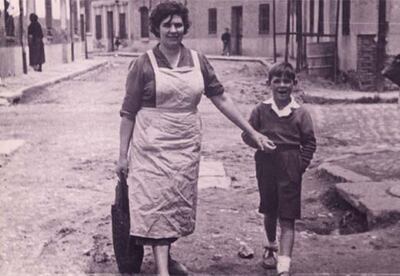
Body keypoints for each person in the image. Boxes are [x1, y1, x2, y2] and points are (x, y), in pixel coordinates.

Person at [115, 2, 271, 275]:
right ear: (157, 29)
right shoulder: (142, 64)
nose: (173, 30)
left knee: (174, 203)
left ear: (184, 27)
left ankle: (168, 258)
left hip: (185, 143)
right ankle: (163, 269)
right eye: (167, 25)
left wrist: (251, 130)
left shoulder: (199, 61)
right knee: (154, 203)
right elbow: (128, 114)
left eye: (178, 25)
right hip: (150, 145)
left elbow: (220, 97)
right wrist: (121, 155)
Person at [242, 62, 316, 276]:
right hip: (266, 164)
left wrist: (299, 165)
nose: (282, 85)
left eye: (287, 81)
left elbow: (310, 142)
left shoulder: (301, 113)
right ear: (269, 83)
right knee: (269, 209)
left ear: (294, 84)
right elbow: (247, 134)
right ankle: (270, 247)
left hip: (291, 165)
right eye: (277, 81)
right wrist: (259, 143)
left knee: (288, 216)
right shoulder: (260, 110)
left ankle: (284, 267)